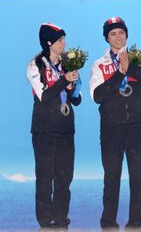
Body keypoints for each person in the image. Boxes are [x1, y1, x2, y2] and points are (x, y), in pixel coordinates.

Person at [89, 17, 141, 231]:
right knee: (111, 177)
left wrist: (131, 68)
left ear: (127, 35)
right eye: (113, 33)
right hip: (111, 129)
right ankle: (108, 223)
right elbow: (97, 95)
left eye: (121, 32)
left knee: (138, 177)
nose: (118, 36)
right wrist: (119, 73)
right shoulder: (99, 64)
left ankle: (134, 224)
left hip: (138, 127)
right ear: (106, 38)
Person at [27, 23, 82, 230]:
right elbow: (43, 96)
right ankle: (45, 221)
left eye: (64, 39)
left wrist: (73, 86)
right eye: (60, 40)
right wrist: (62, 81)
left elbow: (76, 100)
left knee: (65, 177)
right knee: (44, 176)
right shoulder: (36, 64)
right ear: (49, 42)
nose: (64, 43)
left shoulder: (67, 65)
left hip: (66, 129)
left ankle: (61, 219)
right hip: (44, 129)